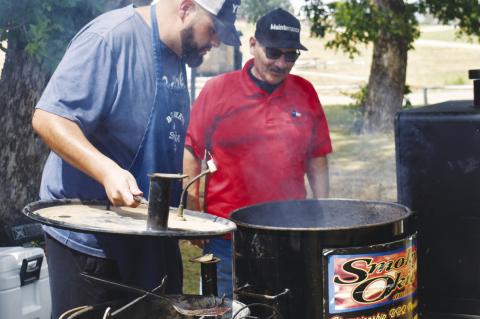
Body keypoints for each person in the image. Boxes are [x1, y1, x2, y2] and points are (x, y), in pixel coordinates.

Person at [31, 0, 241, 317]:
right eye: (213, 30)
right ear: (186, 9)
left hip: (151, 238)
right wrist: (106, 170)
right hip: (93, 243)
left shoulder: (176, 56)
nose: (216, 41)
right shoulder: (110, 38)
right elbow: (49, 119)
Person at [183, 8, 333, 299]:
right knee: (224, 311)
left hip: (291, 235)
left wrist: (324, 214)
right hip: (227, 237)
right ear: (253, 44)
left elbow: (317, 160)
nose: (281, 63)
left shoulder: (305, 92)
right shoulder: (217, 91)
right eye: (274, 52)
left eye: (291, 56)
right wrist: (192, 216)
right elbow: (192, 153)